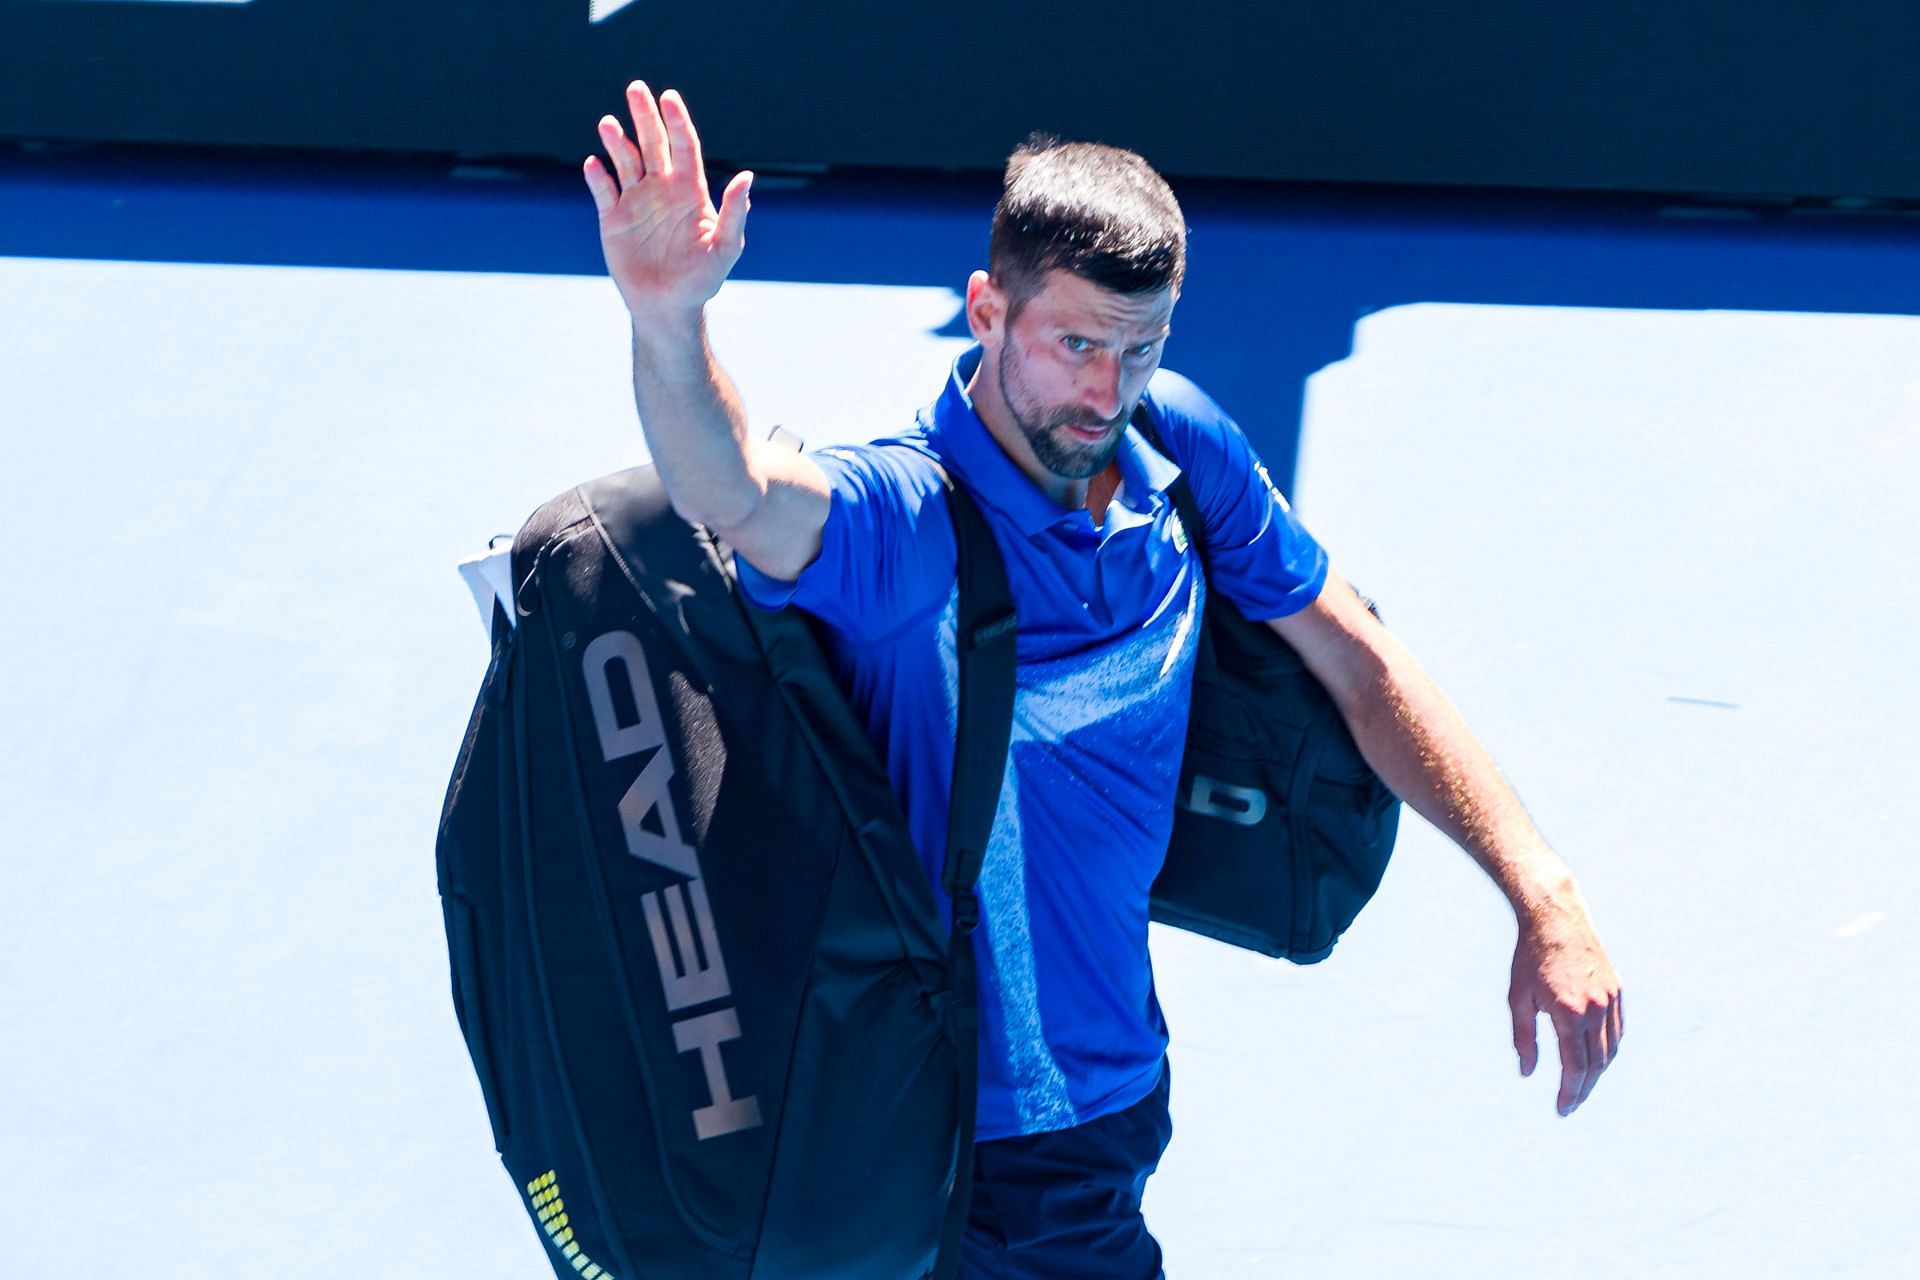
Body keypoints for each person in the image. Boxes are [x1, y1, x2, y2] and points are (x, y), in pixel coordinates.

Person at [581, 82, 1624, 1280]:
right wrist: (668, 321)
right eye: (1074, 342)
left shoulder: (1176, 451)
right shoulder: (909, 522)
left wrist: (1540, 887)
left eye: (1141, 348)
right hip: (969, 1133)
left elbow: (1361, 659)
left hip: (1109, 1090)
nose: (1104, 390)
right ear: (986, 309)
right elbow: (739, 491)